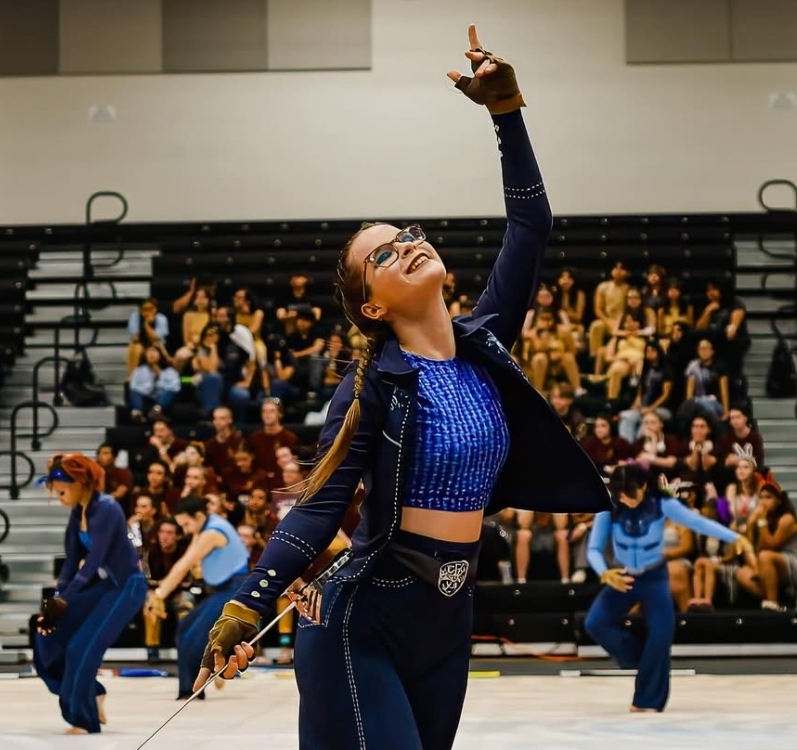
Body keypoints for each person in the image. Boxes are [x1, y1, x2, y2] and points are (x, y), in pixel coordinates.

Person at [192, 25, 611, 750]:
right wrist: (246, 606)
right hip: (363, 615)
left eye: (407, 232)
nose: (408, 243)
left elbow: (531, 222)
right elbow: (319, 507)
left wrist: (507, 112)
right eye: (383, 253)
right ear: (372, 306)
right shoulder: (368, 387)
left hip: (448, 617)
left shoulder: (484, 346)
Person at [583, 464, 756, 713]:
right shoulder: (608, 508)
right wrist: (604, 573)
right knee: (596, 623)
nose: (625, 501)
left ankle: (646, 701)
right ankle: (645, 662)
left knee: (661, 637)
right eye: (620, 496)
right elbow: (594, 548)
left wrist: (736, 538)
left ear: (643, 486)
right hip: (623, 577)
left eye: (629, 495)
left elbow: (698, 523)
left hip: (654, 578)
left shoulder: (661, 502)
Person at [32, 453, 146, 735]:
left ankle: (84, 718)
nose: (57, 497)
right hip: (103, 586)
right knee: (47, 635)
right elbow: (71, 562)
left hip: (127, 586)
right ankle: (92, 692)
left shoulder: (107, 508)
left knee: (81, 647)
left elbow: (95, 560)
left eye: (61, 491)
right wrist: (56, 599)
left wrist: (65, 599)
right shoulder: (77, 511)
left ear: (81, 483)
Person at [146, 494, 250, 700]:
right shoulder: (205, 525)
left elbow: (184, 564)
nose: (184, 530)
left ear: (199, 516)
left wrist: (158, 595)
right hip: (224, 589)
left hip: (235, 589)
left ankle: (192, 689)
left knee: (193, 635)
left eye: (186, 524)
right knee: (185, 628)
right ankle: (191, 687)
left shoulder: (211, 532)